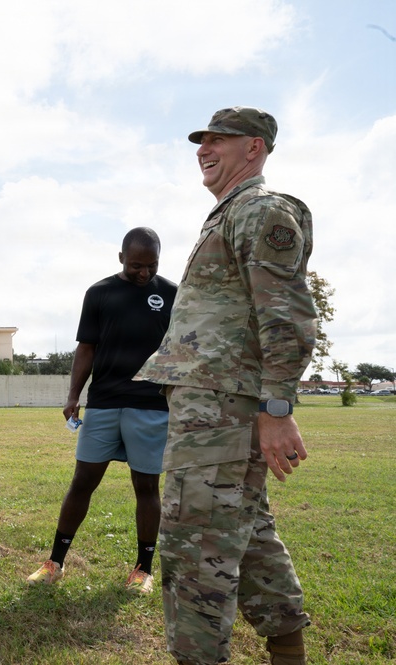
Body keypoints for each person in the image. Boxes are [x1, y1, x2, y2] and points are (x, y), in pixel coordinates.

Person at [136, 107, 316, 665]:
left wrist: (277, 407)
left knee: (195, 547)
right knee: (248, 533)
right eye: (201, 141)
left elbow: (286, 315)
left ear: (253, 147)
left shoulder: (261, 210)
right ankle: (289, 651)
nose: (203, 150)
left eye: (218, 140)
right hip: (213, 406)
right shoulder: (230, 213)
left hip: (221, 411)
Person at [27, 227, 176, 594]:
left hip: (151, 406)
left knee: (147, 486)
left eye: (152, 266)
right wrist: (73, 395)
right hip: (104, 402)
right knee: (82, 481)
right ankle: (55, 562)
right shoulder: (99, 293)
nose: (144, 273)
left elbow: (181, 352)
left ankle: (143, 570)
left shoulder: (173, 295)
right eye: (136, 265)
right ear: (121, 257)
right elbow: (86, 348)